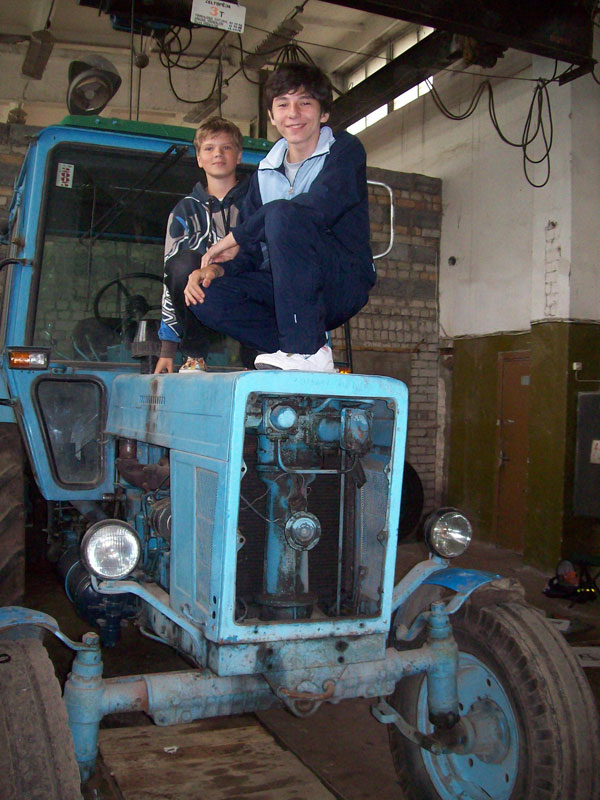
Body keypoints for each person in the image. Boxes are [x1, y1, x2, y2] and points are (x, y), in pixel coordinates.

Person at [181, 62, 376, 372]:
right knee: (205, 295)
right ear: (272, 116)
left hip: (339, 281)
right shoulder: (264, 174)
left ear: (324, 113)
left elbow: (314, 208)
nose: (293, 113)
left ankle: (307, 349)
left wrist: (238, 234)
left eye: (305, 103)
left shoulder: (344, 151)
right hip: (283, 290)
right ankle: (287, 348)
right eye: (283, 104)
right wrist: (216, 270)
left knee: (285, 214)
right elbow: (248, 254)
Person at [154, 117, 249, 374]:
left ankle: (258, 355)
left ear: (238, 156)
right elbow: (171, 277)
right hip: (201, 303)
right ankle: (194, 354)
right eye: (209, 148)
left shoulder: (256, 203)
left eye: (226, 147)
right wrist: (168, 349)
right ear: (199, 158)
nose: (218, 154)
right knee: (181, 264)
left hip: (247, 302)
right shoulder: (184, 211)